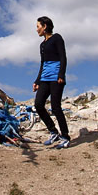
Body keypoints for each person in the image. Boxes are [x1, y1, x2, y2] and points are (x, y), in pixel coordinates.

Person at [32, 16, 70, 149]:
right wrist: (37, 81)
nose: (36, 30)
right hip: (44, 78)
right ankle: (53, 131)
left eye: (38, 27)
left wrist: (61, 74)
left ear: (45, 26)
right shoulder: (42, 45)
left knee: (55, 107)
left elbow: (63, 57)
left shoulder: (57, 38)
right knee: (38, 104)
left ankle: (65, 137)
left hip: (56, 77)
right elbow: (42, 63)